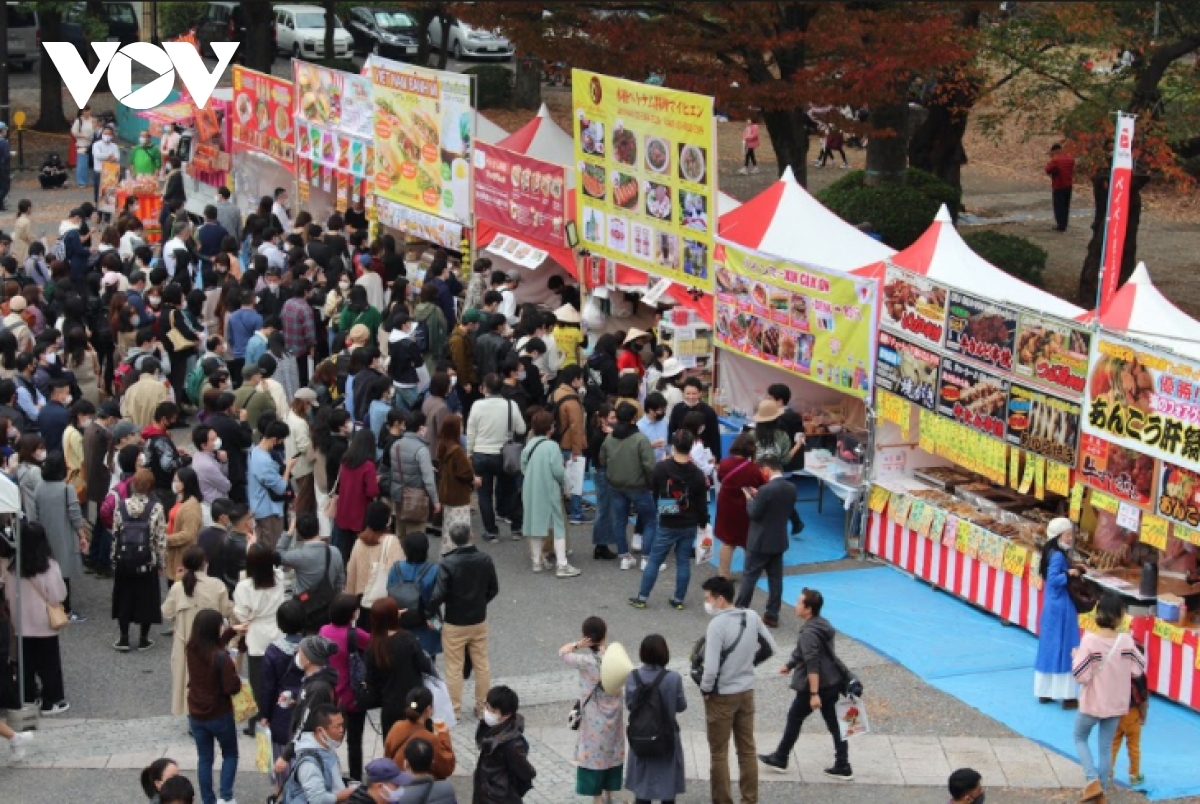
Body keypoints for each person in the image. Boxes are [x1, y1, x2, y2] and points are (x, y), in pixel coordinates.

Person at [698, 575, 777, 804]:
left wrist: (705, 689)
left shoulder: (717, 625)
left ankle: (723, 800)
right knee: (747, 750)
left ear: (720, 599)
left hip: (722, 695)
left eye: (708, 598)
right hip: (746, 691)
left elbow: (711, 668)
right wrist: (749, 664)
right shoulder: (751, 616)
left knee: (719, 753)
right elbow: (770, 647)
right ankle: (749, 799)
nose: (707, 603)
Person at [758, 588, 852, 778]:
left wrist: (814, 693)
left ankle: (781, 757)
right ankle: (842, 764)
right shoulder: (822, 625)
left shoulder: (808, 632)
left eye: (800, 602)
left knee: (795, 717)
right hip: (832, 681)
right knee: (834, 724)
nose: (796, 604)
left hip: (817, 686)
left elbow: (812, 662)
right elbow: (808, 653)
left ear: (808, 609)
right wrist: (790, 664)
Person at [1072, 593, 1145, 801]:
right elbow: (1138, 669)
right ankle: (1100, 792)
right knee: (1105, 747)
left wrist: (1076, 656)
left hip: (1093, 703)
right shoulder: (1126, 641)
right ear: (1121, 617)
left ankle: (1091, 779)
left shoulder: (1090, 641)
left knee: (1079, 737)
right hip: (1116, 703)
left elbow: (1080, 675)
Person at [629, 430, 709, 610]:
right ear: (691, 448)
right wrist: (703, 522)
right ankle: (678, 599)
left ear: (673, 447)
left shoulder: (662, 468)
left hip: (667, 516)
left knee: (655, 560)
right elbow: (701, 503)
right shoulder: (697, 474)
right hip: (689, 520)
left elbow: (655, 492)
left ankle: (642, 597)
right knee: (683, 561)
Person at [428, 523, 498, 719]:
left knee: (454, 667)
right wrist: (480, 602)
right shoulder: (485, 559)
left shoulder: (447, 563)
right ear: (472, 535)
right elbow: (493, 589)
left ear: (451, 539)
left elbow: (438, 595)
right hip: (478, 619)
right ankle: (483, 706)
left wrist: (431, 613)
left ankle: (455, 709)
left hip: (454, 621)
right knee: (482, 663)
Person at [2, 522, 70, 714]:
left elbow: (8, 595)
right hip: (44, 623)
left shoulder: (13, 567)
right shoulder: (49, 566)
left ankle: (29, 699)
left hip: (22, 623)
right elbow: (58, 595)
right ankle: (52, 701)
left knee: (26, 664)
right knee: (49, 665)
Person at [162, 545, 233, 716]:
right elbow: (227, 610)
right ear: (204, 563)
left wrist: (179, 580)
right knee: (212, 680)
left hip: (185, 642)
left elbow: (167, 612)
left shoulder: (179, 588)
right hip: (213, 642)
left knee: (188, 679)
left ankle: (191, 714)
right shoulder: (216, 585)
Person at [559, 617, 625, 803]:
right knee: (612, 754)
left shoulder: (585, 661)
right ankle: (609, 794)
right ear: (605, 636)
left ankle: (597, 798)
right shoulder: (615, 659)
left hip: (593, 720)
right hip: (615, 717)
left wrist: (577, 644)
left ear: (586, 637)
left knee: (595, 756)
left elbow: (562, 653)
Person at [185, 608, 242, 804]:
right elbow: (231, 688)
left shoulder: (191, 648)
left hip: (196, 714)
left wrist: (232, 630)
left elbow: (213, 646)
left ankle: (208, 800)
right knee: (230, 754)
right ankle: (225, 797)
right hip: (219, 714)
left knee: (205, 759)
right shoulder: (221, 658)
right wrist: (236, 676)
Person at [734, 455, 796, 628]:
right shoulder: (791, 487)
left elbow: (754, 513)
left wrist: (749, 499)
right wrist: (758, 495)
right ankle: (772, 614)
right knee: (775, 579)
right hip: (778, 540)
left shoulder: (766, 490)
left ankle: (740, 611)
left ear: (766, 470)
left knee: (749, 577)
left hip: (759, 541)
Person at [624, 633, 687, 804]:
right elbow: (681, 706)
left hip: (641, 734)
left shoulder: (633, 676)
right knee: (667, 784)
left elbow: (630, 705)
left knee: (642, 784)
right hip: (666, 735)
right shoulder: (673, 678)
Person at [111, 468, 167, 651]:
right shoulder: (156, 508)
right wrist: (161, 562)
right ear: (151, 486)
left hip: (124, 561)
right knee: (146, 599)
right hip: (146, 561)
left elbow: (116, 534)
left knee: (124, 598)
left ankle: (124, 638)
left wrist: (114, 559)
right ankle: (143, 638)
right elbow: (160, 538)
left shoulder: (121, 506)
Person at [232, 543, 285, 735]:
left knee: (258, 683)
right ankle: (276, 717)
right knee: (278, 678)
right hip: (277, 631)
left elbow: (242, 614)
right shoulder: (279, 578)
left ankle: (257, 723)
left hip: (256, 635)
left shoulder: (244, 587)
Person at [318, 595, 372, 782]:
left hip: (331, 695)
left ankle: (327, 775)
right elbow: (374, 644)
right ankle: (356, 778)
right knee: (354, 742)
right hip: (353, 696)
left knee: (326, 740)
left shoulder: (324, 630)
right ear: (352, 614)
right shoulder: (355, 634)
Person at [467, 374, 526, 542]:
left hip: (481, 453)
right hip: (504, 454)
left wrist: (469, 452)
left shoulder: (477, 405)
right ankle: (516, 527)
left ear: (484, 388)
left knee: (484, 494)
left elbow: (471, 432)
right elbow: (521, 429)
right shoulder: (510, 405)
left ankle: (491, 531)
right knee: (511, 491)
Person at [31, 452, 89, 620]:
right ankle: (66, 610)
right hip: (64, 536)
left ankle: (49, 607)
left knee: (46, 570)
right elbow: (75, 515)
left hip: (44, 535)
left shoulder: (39, 487)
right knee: (64, 574)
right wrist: (82, 536)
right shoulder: (66, 489)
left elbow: (35, 513)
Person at [521, 410, 579, 577]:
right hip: (549, 488)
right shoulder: (552, 446)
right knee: (557, 524)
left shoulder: (529, 445)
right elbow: (558, 472)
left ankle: (536, 561)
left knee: (535, 524)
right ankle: (562, 565)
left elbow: (523, 466)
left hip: (531, 488)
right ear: (550, 428)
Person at [363, 597, 432, 736]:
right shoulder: (407, 639)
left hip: (390, 706)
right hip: (414, 703)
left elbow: (371, 680)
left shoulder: (373, 647)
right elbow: (425, 666)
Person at [600, 402, 657, 571]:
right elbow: (650, 466)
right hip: (638, 486)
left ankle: (624, 556)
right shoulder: (640, 439)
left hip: (616, 485)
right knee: (650, 521)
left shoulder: (610, 438)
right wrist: (651, 483)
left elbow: (602, 460)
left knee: (620, 521)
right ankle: (647, 558)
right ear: (634, 418)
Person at [257, 600, 307, 787]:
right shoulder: (311, 648)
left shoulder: (273, 651)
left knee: (281, 755)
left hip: (281, 710)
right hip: (306, 704)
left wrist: (264, 715)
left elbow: (268, 687)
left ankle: (284, 792)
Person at [1035, 517, 1082, 708]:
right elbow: (1054, 579)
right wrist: (1070, 574)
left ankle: (1045, 691)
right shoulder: (1058, 556)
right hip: (1062, 606)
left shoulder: (1050, 553)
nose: (1070, 538)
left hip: (1052, 605)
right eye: (1068, 534)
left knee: (1050, 646)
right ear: (1058, 536)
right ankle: (1067, 694)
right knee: (1066, 646)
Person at [276, 513, 346, 631]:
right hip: (328, 605)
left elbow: (278, 554)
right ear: (318, 528)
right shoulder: (335, 552)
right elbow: (340, 581)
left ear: (299, 532)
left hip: (305, 606)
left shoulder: (299, 555)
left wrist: (289, 532)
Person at [473, 685, 536, 803]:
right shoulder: (490, 727)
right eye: (487, 707)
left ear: (506, 715)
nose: (487, 712)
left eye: (493, 711)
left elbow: (525, 771)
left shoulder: (512, 744)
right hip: (485, 790)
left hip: (499, 796)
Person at [385, 532, 442, 660]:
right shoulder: (434, 570)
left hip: (400, 622)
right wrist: (440, 626)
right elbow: (439, 596)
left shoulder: (396, 568)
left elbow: (389, 591)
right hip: (428, 622)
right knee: (428, 664)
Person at [714, 433, 763, 579]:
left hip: (726, 505)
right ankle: (749, 572)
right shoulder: (753, 468)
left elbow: (720, 478)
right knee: (748, 541)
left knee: (728, 542)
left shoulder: (724, 464)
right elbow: (760, 485)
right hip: (744, 507)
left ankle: (724, 574)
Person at [344, 501, 402, 625]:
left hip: (362, 603)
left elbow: (351, 573)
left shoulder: (359, 542)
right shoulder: (392, 542)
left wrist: (350, 603)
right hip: (382, 606)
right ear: (387, 521)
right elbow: (398, 573)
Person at [383, 686, 456, 780]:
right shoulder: (429, 739)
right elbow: (447, 768)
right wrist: (443, 735)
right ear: (428, 709)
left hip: (397, 782)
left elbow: (387, 755)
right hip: (419, 787)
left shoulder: (397, 726)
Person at [281, 704, 351, 803]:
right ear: (320, 731)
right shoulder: (309, 764)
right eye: (337, 726)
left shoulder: (326, 748)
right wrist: (344, 795)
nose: (342, 730)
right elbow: (318, 800)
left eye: (342, 725)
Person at [390, 410, 440, 538]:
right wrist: (436, 501)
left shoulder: (395, 445)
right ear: (421, 427)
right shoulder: (421, 449)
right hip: (415, 499)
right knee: (416, 535)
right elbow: (429, 480)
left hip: (398, 494)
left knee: (400, 534)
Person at [333, 428, 381, 562]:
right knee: (358, 552)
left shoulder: (345, 460)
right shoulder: (368, 466)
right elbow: (372, 492)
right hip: (360, 513)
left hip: (343, 510)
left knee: (343, 550)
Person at [248, 419, 296, 551]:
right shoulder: (265, 461)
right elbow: (280, 488)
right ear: (274, 439)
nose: (281, 443)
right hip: (268, 510)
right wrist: (288, 468)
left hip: (258, 505)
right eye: (281, 440)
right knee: (271, 547)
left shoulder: (255, 451)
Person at [551, 366, 590, 524]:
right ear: (574, 379)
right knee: (575, 480)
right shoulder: (572, 401)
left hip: (556, 441)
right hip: (568, 444)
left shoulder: (556, 393)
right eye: (579, 378)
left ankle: (561, 508)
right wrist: (577, 449)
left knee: (559, 479)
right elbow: (576, 427)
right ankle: (576, 512)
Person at [434, 413, 475, 551]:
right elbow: (466, 472)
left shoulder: (442, 445)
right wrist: (474, 478)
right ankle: (460, 556)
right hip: (459, 495)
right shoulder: (457, 450)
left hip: (446, 492)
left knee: (449, 527)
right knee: (461, 529)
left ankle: (446, 555)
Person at [165, 467, 204, 586]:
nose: (174, 483)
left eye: (176, 481)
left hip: (182, 555)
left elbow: (188, 534)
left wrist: (165, 539)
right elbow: (173, 523)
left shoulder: (191, 507)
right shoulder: (180, 500)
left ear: (185, 483)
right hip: (174, 553)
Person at [1045, 142, 1076, 232]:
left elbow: (1048, 170)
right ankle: (1065, 223)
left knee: (1058, 206)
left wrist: (1052, 160)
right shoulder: (1070, 159)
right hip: (1068, 184)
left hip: (1058, 185)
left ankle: (1060, 224)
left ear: (1054, 152)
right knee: (1066, 205)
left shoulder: (1056, 160)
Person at [71, 107, 95, 188]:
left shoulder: (92, 120)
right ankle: (82, 182)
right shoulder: (79, 121)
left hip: (92, 144)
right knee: (82, 164)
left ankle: (94, 180)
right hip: (82, 144)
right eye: (86, 111)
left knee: (93, 164)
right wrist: (84, 136)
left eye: (89, 110)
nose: (88, 112)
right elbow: (74, 132)